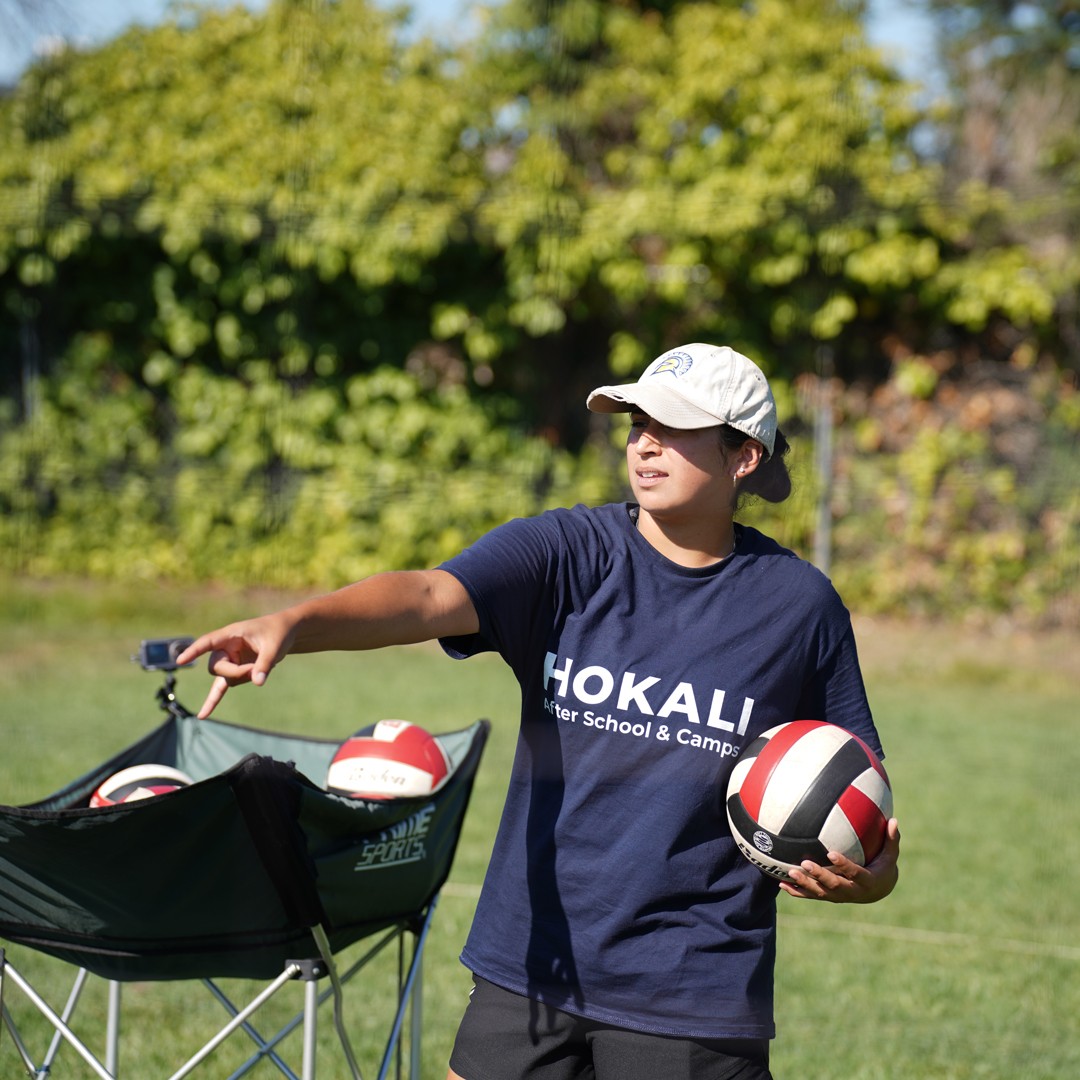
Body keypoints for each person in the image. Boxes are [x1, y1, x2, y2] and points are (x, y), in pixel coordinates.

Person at [177, 342, 900, 1080]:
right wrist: (295, 625)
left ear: (743, 455)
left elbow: (855, 789)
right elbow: (429, 596)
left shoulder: (798, 607)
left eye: (674, 427)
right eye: (636, 422)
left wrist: (871, 877)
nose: (645, 442)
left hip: (691, 984)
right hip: (530, 960)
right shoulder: (566, 554)